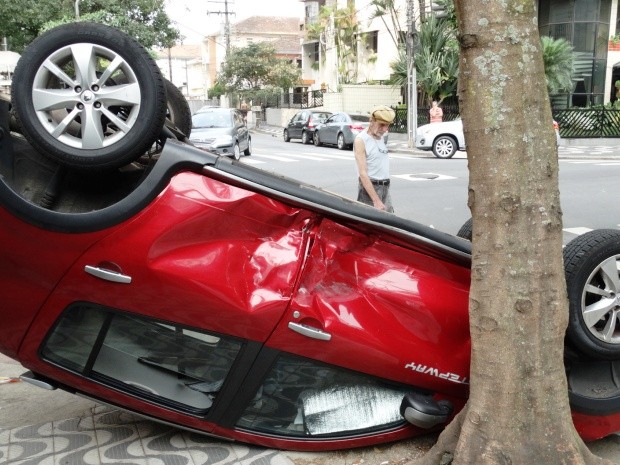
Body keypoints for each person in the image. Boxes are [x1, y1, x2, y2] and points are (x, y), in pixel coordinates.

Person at [354, 105, 396, 212]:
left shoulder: (380, 137)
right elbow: (362, 174)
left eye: (387, 125)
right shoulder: (361, 140)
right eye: (382, 125)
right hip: (370, 190)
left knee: (389, 223)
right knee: (369, 225)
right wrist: (376, 200)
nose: (385, 129)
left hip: (385, 188)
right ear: (371, 121)